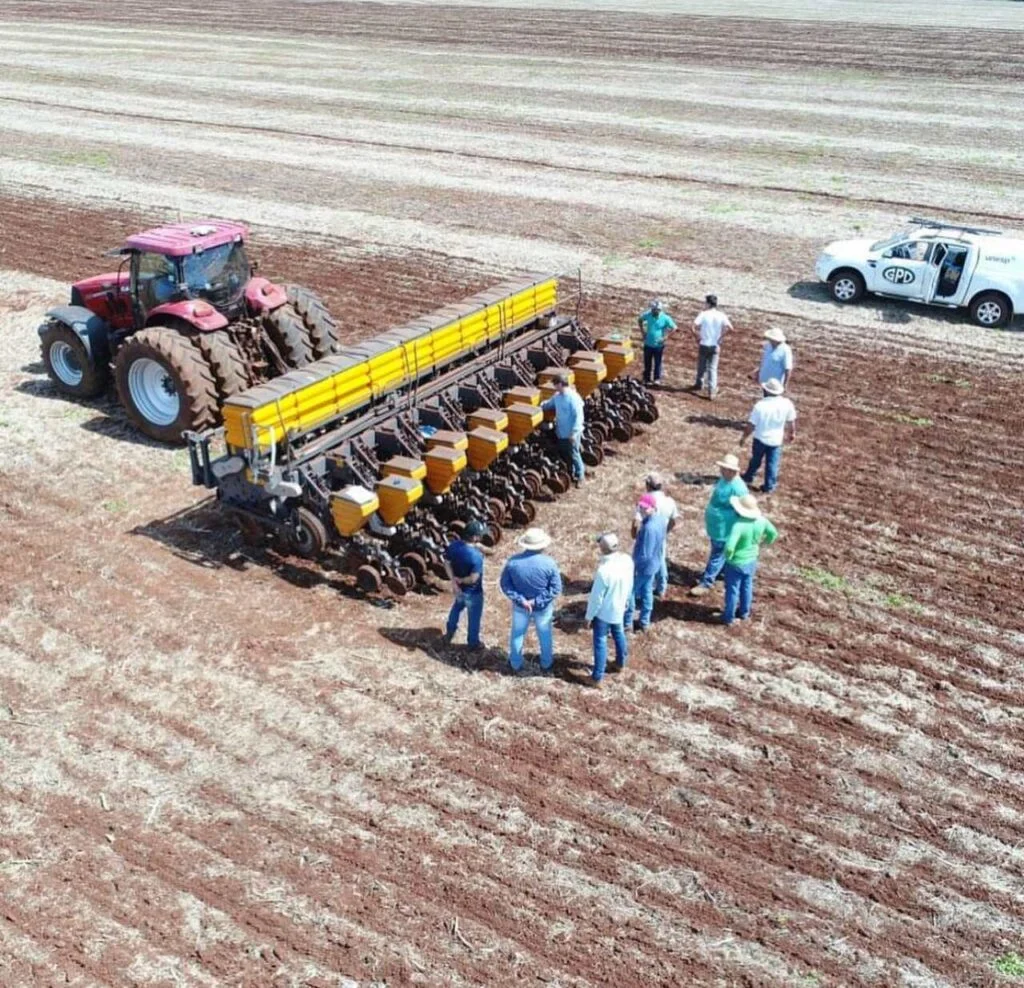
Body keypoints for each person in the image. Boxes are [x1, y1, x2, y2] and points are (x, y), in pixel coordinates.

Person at [500, 527, 563, 673]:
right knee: (544, 634)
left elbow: (505, 584)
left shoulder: (513, 562)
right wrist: (536, 602)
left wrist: (521, 600)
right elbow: (555, 588)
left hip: (520, 607)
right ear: (542, 545)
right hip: (543, 608)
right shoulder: (549, 563)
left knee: (517, 634)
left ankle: (515, 664)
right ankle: (546, 663)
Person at [689, 453, 748, 597]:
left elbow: (744, 511)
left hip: (725, 529)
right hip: (717, 527)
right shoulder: (724, 479)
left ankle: (707, 582)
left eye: (724, 468)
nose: (721, 470)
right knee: (719, 553)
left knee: (717, 554)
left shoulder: (739, 489)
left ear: (732, 471)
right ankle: (721, 571)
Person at [583, 533, 634, 685]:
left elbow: (596, 598)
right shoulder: (627, 560)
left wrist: (589, 616)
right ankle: (620, 663)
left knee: (600, 641)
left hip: (604, 612)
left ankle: (597, 677)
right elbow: (630, 583)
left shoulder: (603, 571)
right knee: (619, 633)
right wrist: (626, 601)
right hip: (619, 608)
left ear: (602, 548)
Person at [721, 493, 778, 625]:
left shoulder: (739, 525)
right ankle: (744, 613)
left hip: (736, 562)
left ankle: (728, 617)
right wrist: (763, 545)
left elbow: (729, 547)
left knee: (732, 590)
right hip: (751, 560)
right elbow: (773, 534)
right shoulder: (762, 521)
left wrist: (728, 557)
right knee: (747, 586)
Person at [740, 378, 796, 494]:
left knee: (756, 460)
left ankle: (749, 476)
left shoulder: (760, 405)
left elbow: (751, 425)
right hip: (776, 441)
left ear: (766, 391)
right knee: (772, 464)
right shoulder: (787, 404)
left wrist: (744, 437)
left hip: (760, 438)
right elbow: (791, 421)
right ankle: (769, 486)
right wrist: (792, 433)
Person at [625, 494, 668, 632]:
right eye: (641, 507)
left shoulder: (649, 528)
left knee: (630, 592)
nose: (642, 510)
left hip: (644, 567)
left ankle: (627, 622)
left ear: (653, 507)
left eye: (645, 508)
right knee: (647, 591)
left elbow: (645, 554)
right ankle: (644, 622)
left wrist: (633, 567)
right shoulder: (660, 519)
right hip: (654, 563)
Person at [631, 472, 677, 598]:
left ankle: (639, 591)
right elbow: (674, 521)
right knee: (660, 558)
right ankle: (661, 587)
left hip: (647, 536)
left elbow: (636, 522)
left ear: (648, 485)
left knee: (645, 562)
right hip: (660, 534)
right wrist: (665, 532)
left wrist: (635, 535)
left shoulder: (645, 500)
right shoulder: (669, 501)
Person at [442, 519, 487, 649]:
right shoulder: (476, 557)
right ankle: (473, 643)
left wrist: (454, 581)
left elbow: (446, 563)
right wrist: (461, 580)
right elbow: (473, 579)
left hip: (459, 589)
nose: (481, 537)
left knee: (456, 609)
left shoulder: (454, 546)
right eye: (479, 535)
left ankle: (449, 633)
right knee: (474, 618)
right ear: (474, 537)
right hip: (473, 592)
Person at [541, 371, 586, 488]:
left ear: (560, 384)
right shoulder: (557, 397)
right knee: (565, 454)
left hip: (571, 433)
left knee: (574, 454)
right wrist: (537, 408)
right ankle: (571, 473)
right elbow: (548, 404)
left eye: (555, 384)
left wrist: (574, 432)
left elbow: (579, 417)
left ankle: (581, 476)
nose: (554, 387)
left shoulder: (573, 398)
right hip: (561, 432)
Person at [692, 294, 732, 399]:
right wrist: (720, 337)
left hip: (704, 344)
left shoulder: (703, 314)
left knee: (701, 365)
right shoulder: (721, 315)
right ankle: (711, 391)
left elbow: (693, 326)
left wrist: (697, 337)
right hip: (715, 345)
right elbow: (730, 328)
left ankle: (699, 383)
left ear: (708, 304)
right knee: (712, 369)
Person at [637, 299, 677, 386]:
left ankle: (656, 379)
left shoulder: (665, 318)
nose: (653, 311)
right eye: (653, 310)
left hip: (658, 345)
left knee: (657, 363)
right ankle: (646, 378)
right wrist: (643, 332)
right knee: (647, 362)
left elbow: (674, 328)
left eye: (655, 310)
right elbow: (640, 320)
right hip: (648, 344)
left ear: (659, 310)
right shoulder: (648, 315)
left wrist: (665, 337)